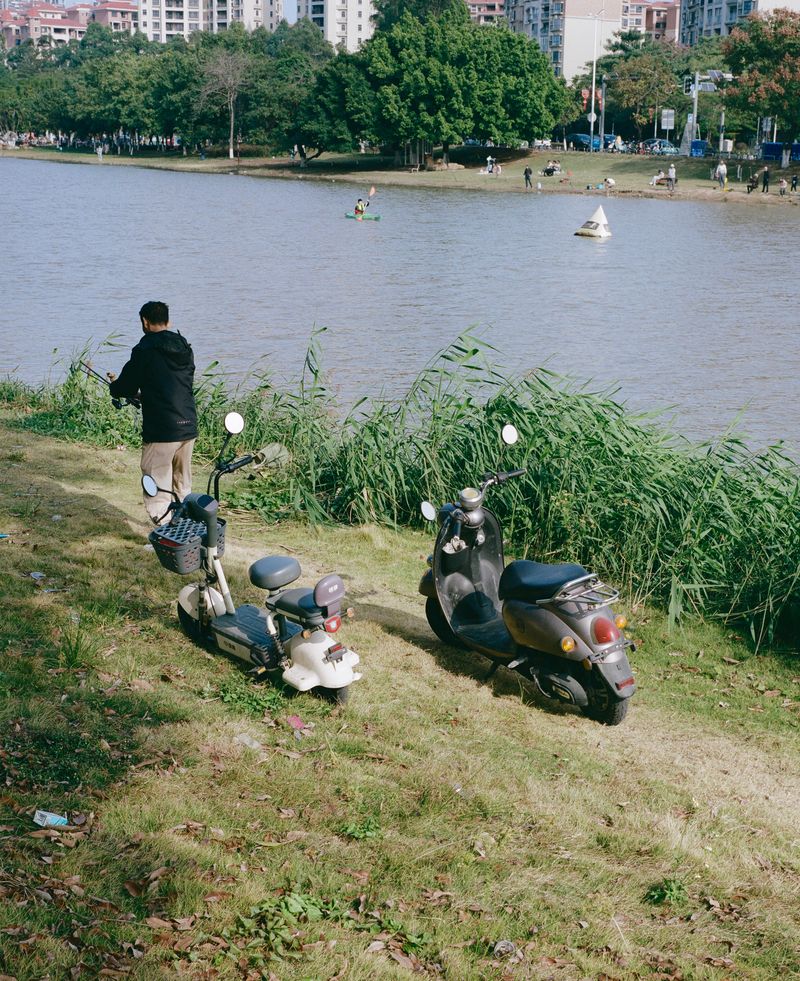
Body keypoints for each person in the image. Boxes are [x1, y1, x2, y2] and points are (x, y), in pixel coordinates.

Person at [109, 301, 198, 524]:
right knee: (182, 486)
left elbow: (125, 387)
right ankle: (188, 531)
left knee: (155, 486)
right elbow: (173, 384)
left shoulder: (145, 349)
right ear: (168, 322)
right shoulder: (184, 347)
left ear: (144, 322)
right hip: (188, 426)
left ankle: (167, 536)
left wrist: (115, 387)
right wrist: (144, 395)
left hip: (162, 429)